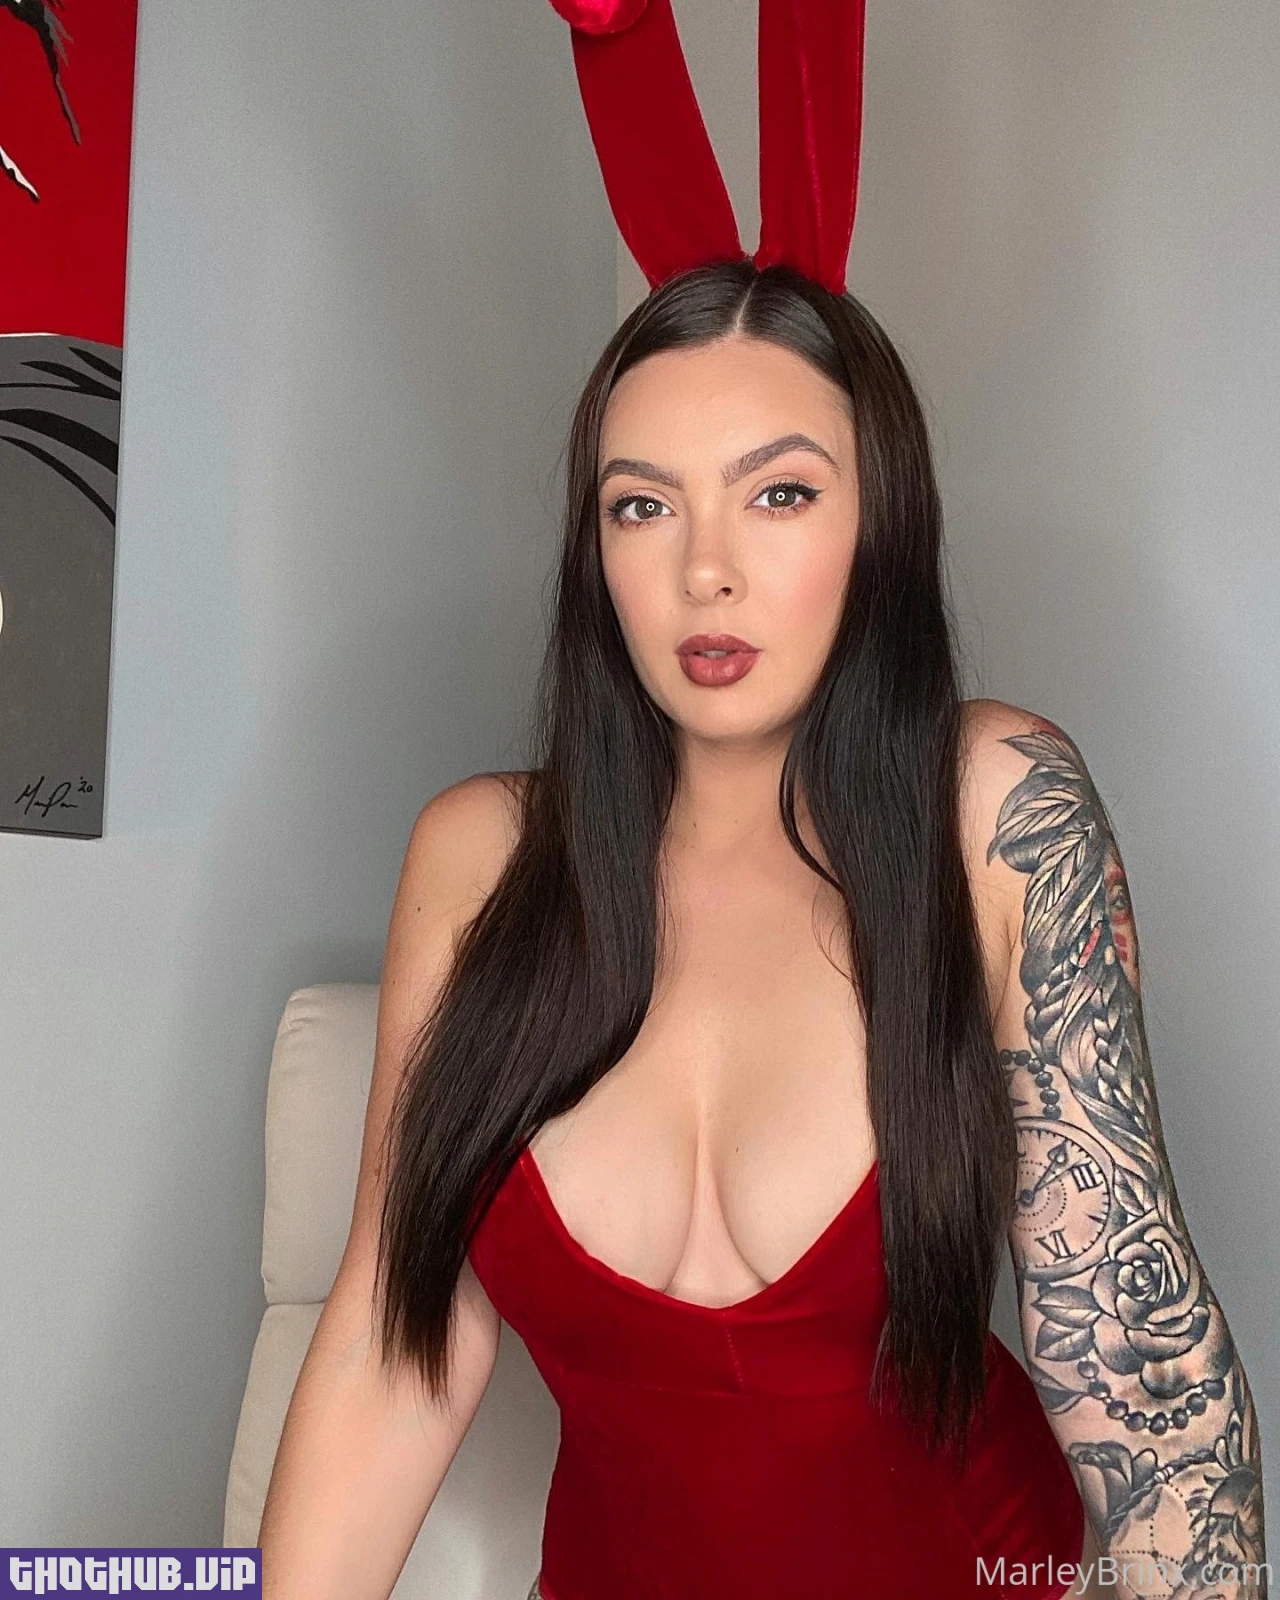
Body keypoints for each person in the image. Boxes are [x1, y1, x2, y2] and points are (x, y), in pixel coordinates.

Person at [258, 6, 1267, 1599]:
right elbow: (399, 1349)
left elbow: (1147, 1397)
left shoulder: (998, 812)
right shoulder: (478, 859)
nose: (705, 569)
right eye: (641, 506)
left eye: (780, 492)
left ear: (881, 522)